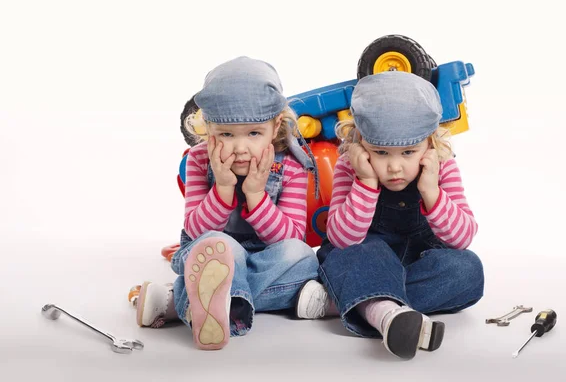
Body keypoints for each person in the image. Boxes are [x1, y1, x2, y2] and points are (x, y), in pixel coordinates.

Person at [294, 71, 484, 359]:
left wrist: (431, 191)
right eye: (381, 153)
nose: (395, 167)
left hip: (416, 262)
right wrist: (366, 182)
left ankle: (349, 299)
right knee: (353, 254)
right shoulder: (351, 165)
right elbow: (343, 238)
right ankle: (386, 315)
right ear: (360, 140)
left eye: (409, 152)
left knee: (468, 270)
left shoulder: (441, 165)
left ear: (430, 142)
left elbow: (462, 238)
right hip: (364, 255)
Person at [135, 56, 320, 350]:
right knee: (225, 247)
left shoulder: (293, 167)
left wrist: (257, 196)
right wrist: (222, 188)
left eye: (254, 133)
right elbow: (195, 231)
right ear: (208, 130)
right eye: (226, 135)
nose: (240, 148)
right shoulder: (198, 160)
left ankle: (185, 299)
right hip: (211, 250)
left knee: (304, 257)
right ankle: (223, 300)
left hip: (267, 257)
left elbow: (292, 237)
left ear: (275, 127)